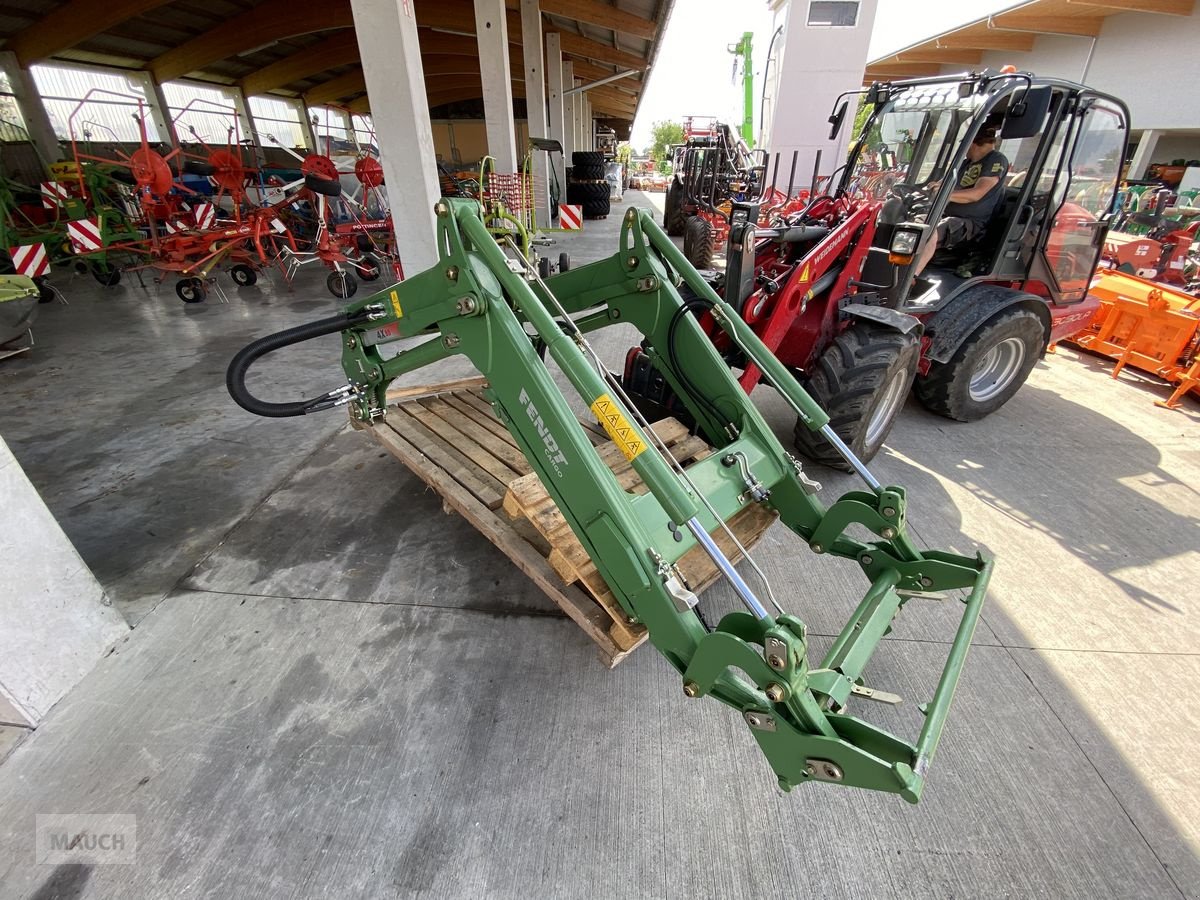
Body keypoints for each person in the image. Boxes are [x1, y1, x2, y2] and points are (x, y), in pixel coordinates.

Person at [914, 126, 1009, 275]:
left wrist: (944, 194)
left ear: (972, 142)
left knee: (929, 232)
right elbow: (943, 184)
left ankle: (911, 276)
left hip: (969, 223)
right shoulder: (966, 163)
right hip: (945, 214)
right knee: (913, 222)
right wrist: (933, 187)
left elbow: (976, 194)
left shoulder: (996, 160)